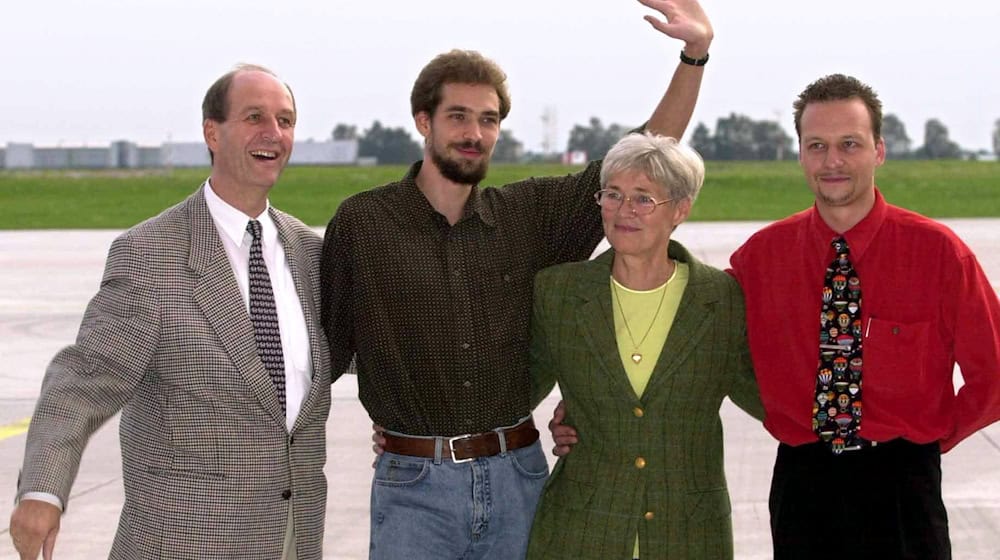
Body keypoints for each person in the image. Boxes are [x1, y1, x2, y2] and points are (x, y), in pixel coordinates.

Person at [321, 0, 715, 557]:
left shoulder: (528, 216)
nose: (474, 133)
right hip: (414, 489)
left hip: (518, 482)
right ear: (424, 121)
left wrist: (693, 55)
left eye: (489, 119)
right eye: (458, 116)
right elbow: (326, 348)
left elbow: (640, 156)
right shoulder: (364, 223)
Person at [8, 64, 333, 560]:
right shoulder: (150, 253)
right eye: (254, 117)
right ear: (212, 132)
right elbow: (81, 382)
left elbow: (360, 352)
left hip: (293, 537)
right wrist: (42, 491)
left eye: (285, 120)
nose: (273, 133)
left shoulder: (309, 253)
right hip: (184, 538)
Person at [727, 73, 1000, 559]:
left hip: (902, 488)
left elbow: (994, 373)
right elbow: (693, 342)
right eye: (817, 145)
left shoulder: (939, 255)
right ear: (800, 154)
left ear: (878, 150)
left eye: (849, 144)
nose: (832, 161)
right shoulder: (759, 260)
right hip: (802, 485)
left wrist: (932, 438)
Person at [526, 133, 764, 560]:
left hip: (689, 534)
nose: (624, 211)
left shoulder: (723, 300)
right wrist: (412, 426)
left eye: (643, 199)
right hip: (581, 531)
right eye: (613, 195)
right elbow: (513, 392)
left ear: (680, 210)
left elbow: (772, 400)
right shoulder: (558, 292)